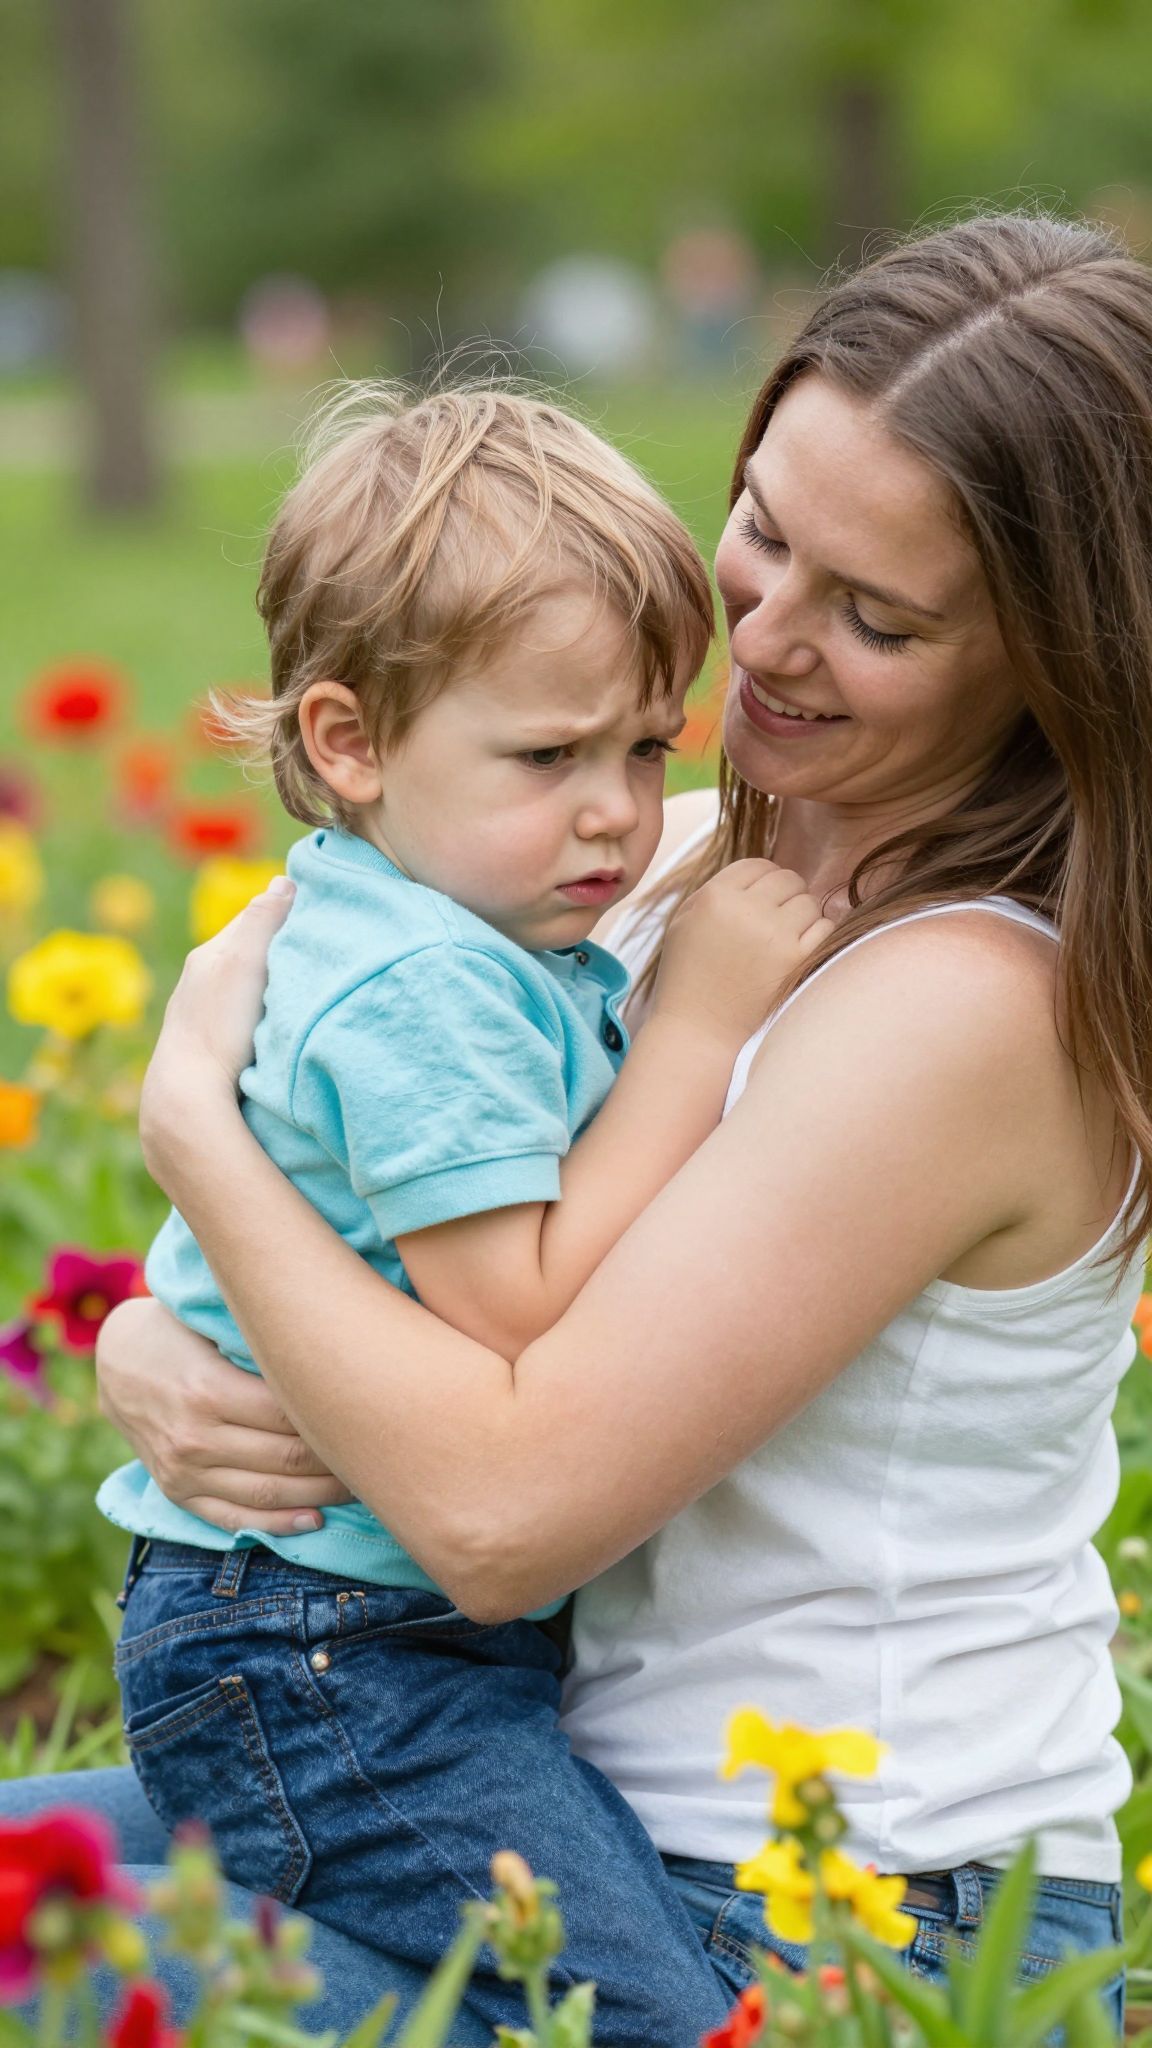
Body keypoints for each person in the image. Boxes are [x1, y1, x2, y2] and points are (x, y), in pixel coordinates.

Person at [11, 210, 1150, 2040]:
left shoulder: (976, 1010)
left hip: (834, 1910)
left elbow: (498, 1508)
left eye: (876, 616)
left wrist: (193, 1152)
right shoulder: (670, 855)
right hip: (497, 1744)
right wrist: (158, 1344)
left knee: (57, 1983)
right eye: (768, 531)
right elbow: (366, 1185)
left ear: (1054, 657)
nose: (760, 643)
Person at [95, 385, 831, 2047]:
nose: (617, 814)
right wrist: (701, 1029)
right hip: (337, 1652)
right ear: (349, 743)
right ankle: (103, 1985)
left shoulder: (423, 905)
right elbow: (515, 1314)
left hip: (344, 1634)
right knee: (642, 2018)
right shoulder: (431, 981)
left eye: (647, 748)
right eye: (550, 754)